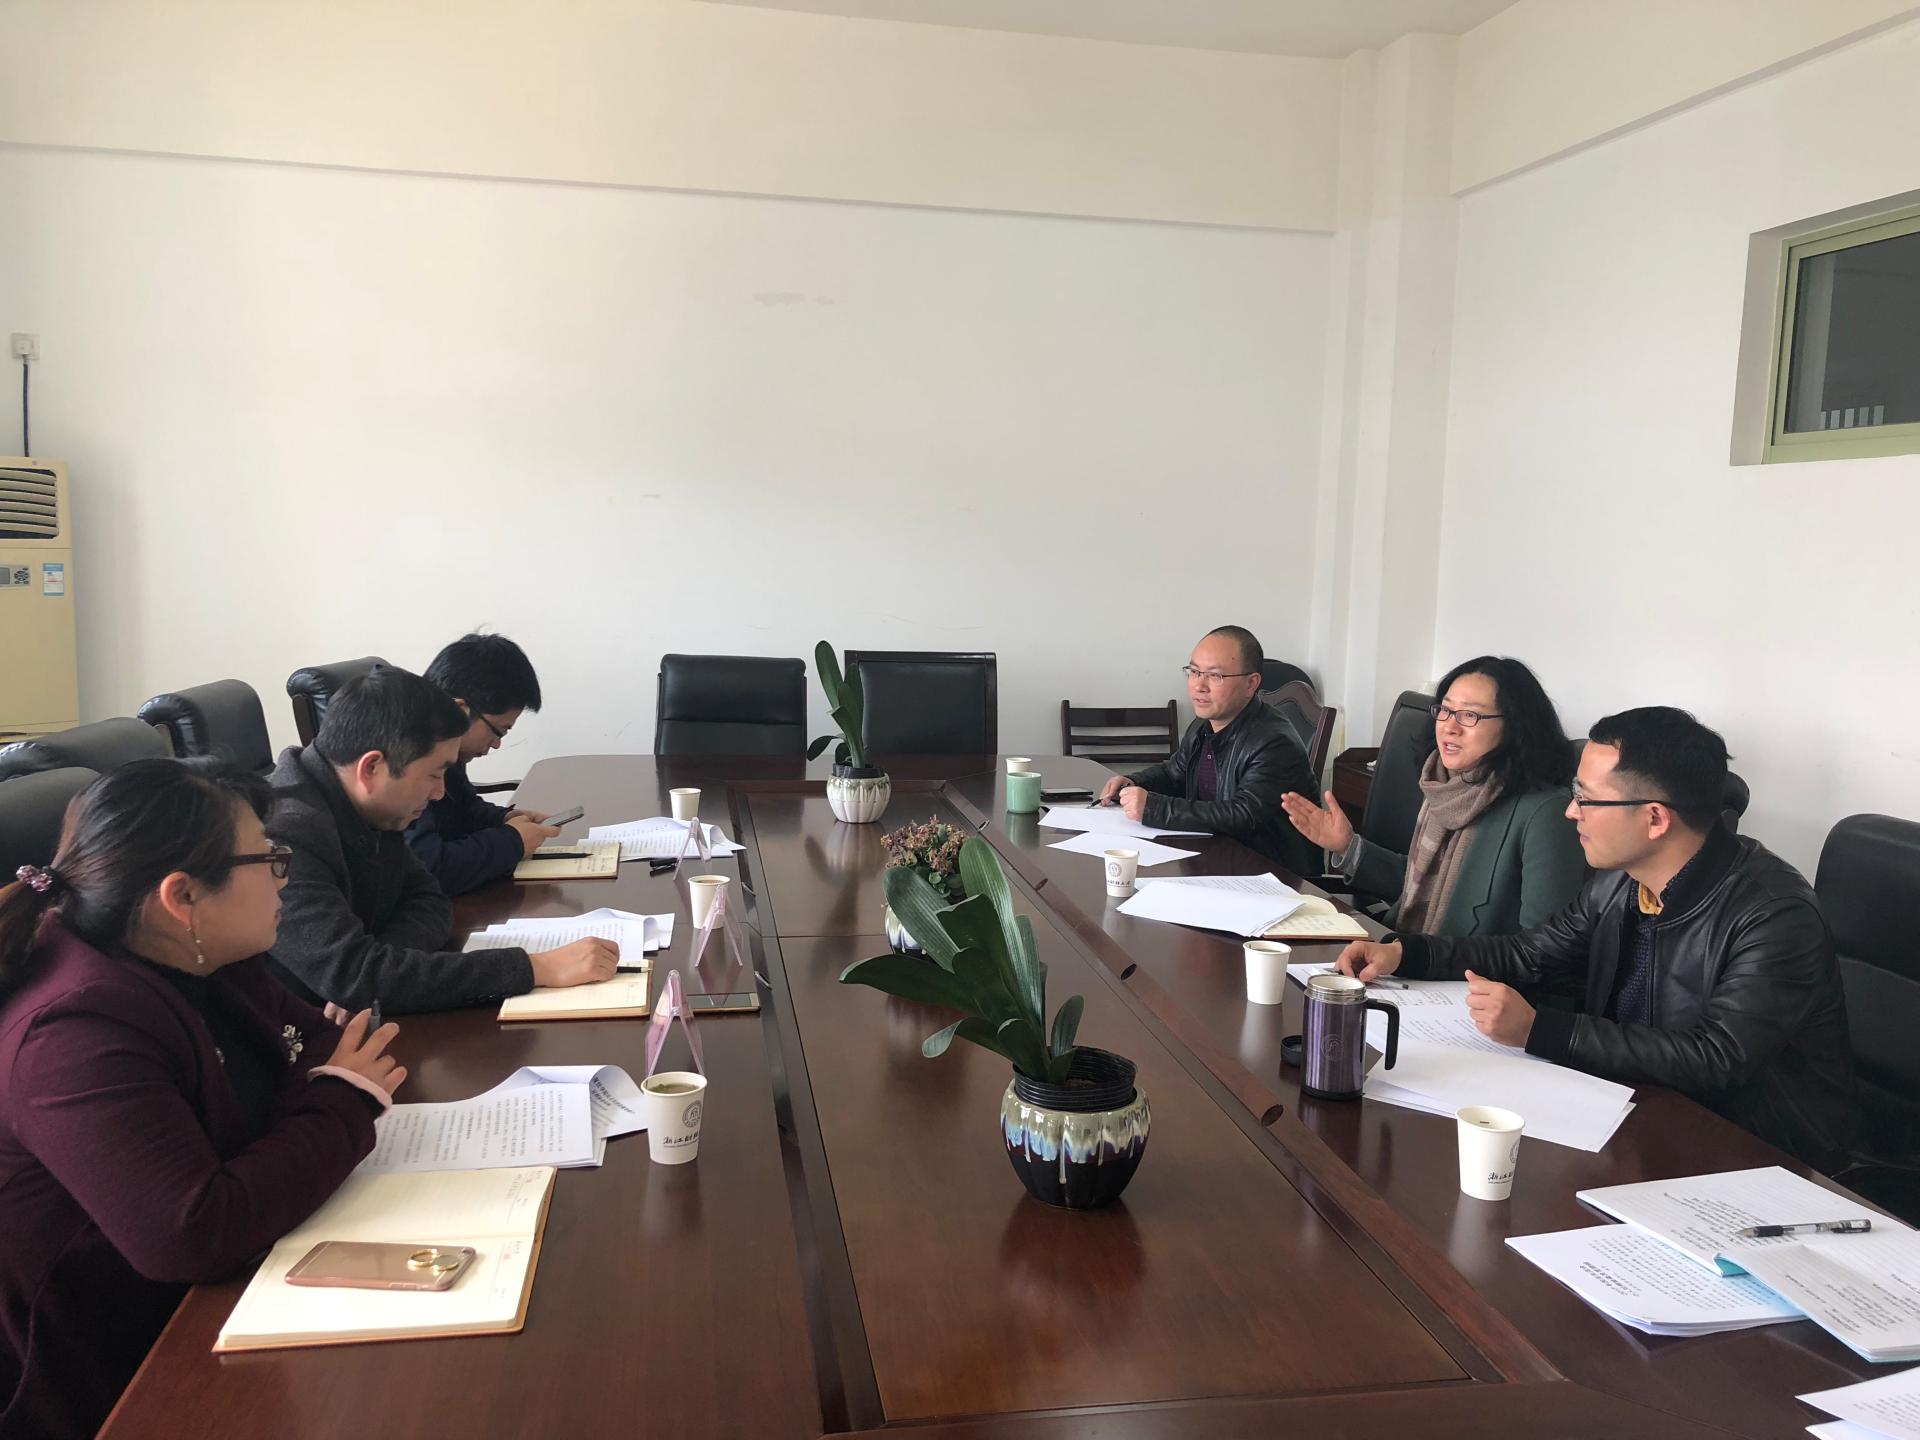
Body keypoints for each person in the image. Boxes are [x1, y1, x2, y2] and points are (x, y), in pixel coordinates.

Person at [0, 759, 406, 1439]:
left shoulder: (201, 953)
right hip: (114, 1374)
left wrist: (325, 1092)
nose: (285, 877)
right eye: (269, 860)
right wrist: (342, 1099)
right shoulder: (72, 1031)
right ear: (182, 894)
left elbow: (321, 1044)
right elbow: (193, 1234)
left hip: (230, 1290)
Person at [1335, 706, 1856, 1170]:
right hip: (1630, 1109)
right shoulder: (1622, 882)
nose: (1571, 812)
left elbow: (1715, 1058)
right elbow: (1529, 953)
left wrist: (1540, 1030)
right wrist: (1404, 952)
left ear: (1655, 818)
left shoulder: (1774, 916)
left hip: (1752, 1153)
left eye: (1586, 798)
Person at [267, 666, 616, 1014]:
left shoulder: (371, 802)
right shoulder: (283, 836)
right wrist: (535, 968)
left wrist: (378, 972)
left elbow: (429, 899)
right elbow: (355, 976)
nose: (439, 793)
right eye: (434, 775)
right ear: (371, 768)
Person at [1279, 656, 1584, 936]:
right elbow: (1421, 882)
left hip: (1463, 971)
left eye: (1469, 715)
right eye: (1446, 710)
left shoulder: (1545, 813)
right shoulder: (1445, 785)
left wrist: (1419, 957)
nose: (1450, 727)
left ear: (1515, 725)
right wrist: (1348, 846)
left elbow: (1543, 946)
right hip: (1405, 951)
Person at [1096, 626, 1320, 877]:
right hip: (1215, 861)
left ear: (1251, 683)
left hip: (1271, 877)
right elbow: (1174, 773)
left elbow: (1243, 815)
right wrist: (1133, 782)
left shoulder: (1274, 741)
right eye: (1194, 672)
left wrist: (1153, 808)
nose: (1199, 686)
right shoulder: (1202, 725)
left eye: (1215, 676)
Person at [405, 633, 559, 895]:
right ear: (460, 710)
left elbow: (461, 810)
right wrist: (512, 842)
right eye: (498, 731)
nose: (496, 744)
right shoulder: (406, 757)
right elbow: (428, 868)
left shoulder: (443, 743)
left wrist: (504, 819)